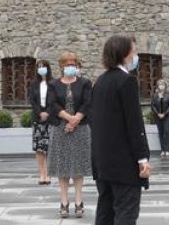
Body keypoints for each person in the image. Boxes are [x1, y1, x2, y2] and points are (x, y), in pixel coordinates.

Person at [90, 35, 152, 225]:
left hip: (103, 161)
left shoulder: (100, 82)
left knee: (105, 213)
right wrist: (142, 158)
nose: (135, 55)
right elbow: (134, 124)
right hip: (124, 163)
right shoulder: (126, 82)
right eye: (133, 51)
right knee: (126, 213)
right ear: (125, 54)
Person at [48, 51, 94, 218]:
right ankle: (64, 201)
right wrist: (68, 119)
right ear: (61, 66)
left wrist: (75, 120)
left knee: (78, 166)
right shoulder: (53, 84)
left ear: (77, 65)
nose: (70, 66)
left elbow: (88, 102)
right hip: (60, 128)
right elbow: (52, 104)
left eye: (72, 64)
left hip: (80, 129)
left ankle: (79, 201)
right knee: (63, 167)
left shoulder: (85, 83)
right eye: (67, 64)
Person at [29, 59, 54, 184]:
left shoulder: (53, 83)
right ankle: (41, 174)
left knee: (49, 147)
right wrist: (40, 113)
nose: (41, 68)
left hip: (50, 118)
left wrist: (47, 113)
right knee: (39, 148)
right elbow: (32, 101)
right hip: (37, 118)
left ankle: (48, 174)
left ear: (48, 68)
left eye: (43, 66)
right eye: (39, 66)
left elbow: (55, 100)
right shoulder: (33, 83)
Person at [150, 79, 169, 158]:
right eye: (160, 85)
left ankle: (167, 150)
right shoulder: (154, 95)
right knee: (160, 132)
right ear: (158, 86)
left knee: (166, 131)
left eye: (163, 84)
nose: (161, 86)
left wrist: (164, 113)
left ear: (165, 86)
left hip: (167, 116)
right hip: (158, 116)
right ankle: (163, 150)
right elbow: (153, 105)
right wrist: (157, 113)